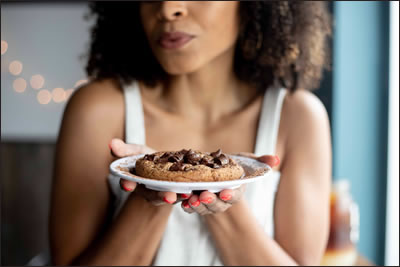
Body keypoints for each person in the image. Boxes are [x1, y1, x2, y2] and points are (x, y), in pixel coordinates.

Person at [48, 1, 332, 265]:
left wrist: (225, 202)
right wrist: (151, 195)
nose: (168, 8)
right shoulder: (98, 110)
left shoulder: (298, 118)